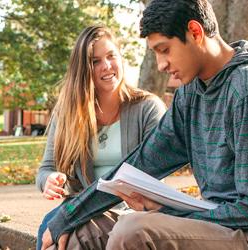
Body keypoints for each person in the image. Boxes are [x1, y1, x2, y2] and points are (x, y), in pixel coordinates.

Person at [41, 0, 248, 249]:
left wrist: (166, 212)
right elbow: (142, 161)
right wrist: (69, 215)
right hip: (221, 224)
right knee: (80, 233)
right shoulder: (191, 93)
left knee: (133, 230)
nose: (161, 65)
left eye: (165, 50)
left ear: (195, 33)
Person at [35, 25, 167, 250]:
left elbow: (155, 176)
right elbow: (45, 169)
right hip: (81, 205)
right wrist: (50, 180)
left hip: (132, 208)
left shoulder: (148, 109)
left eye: (111, 56)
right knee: (48, 228)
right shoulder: (67, 113)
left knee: (71, 237)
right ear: (83, 69)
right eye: (95, 61)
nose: (106, 66)